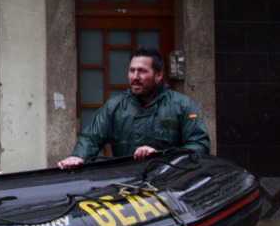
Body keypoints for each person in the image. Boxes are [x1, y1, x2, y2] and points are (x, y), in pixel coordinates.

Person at [58, 47, 210, 170]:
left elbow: (200, 146)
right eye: (132, 70)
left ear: (159, 75)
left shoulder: (182, 105)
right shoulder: (114, 107)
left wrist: (162, 155)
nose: (135, 77)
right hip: (126, 186)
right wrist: (78, 157)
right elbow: (91, 138)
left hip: (169, 186)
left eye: (142, 71)